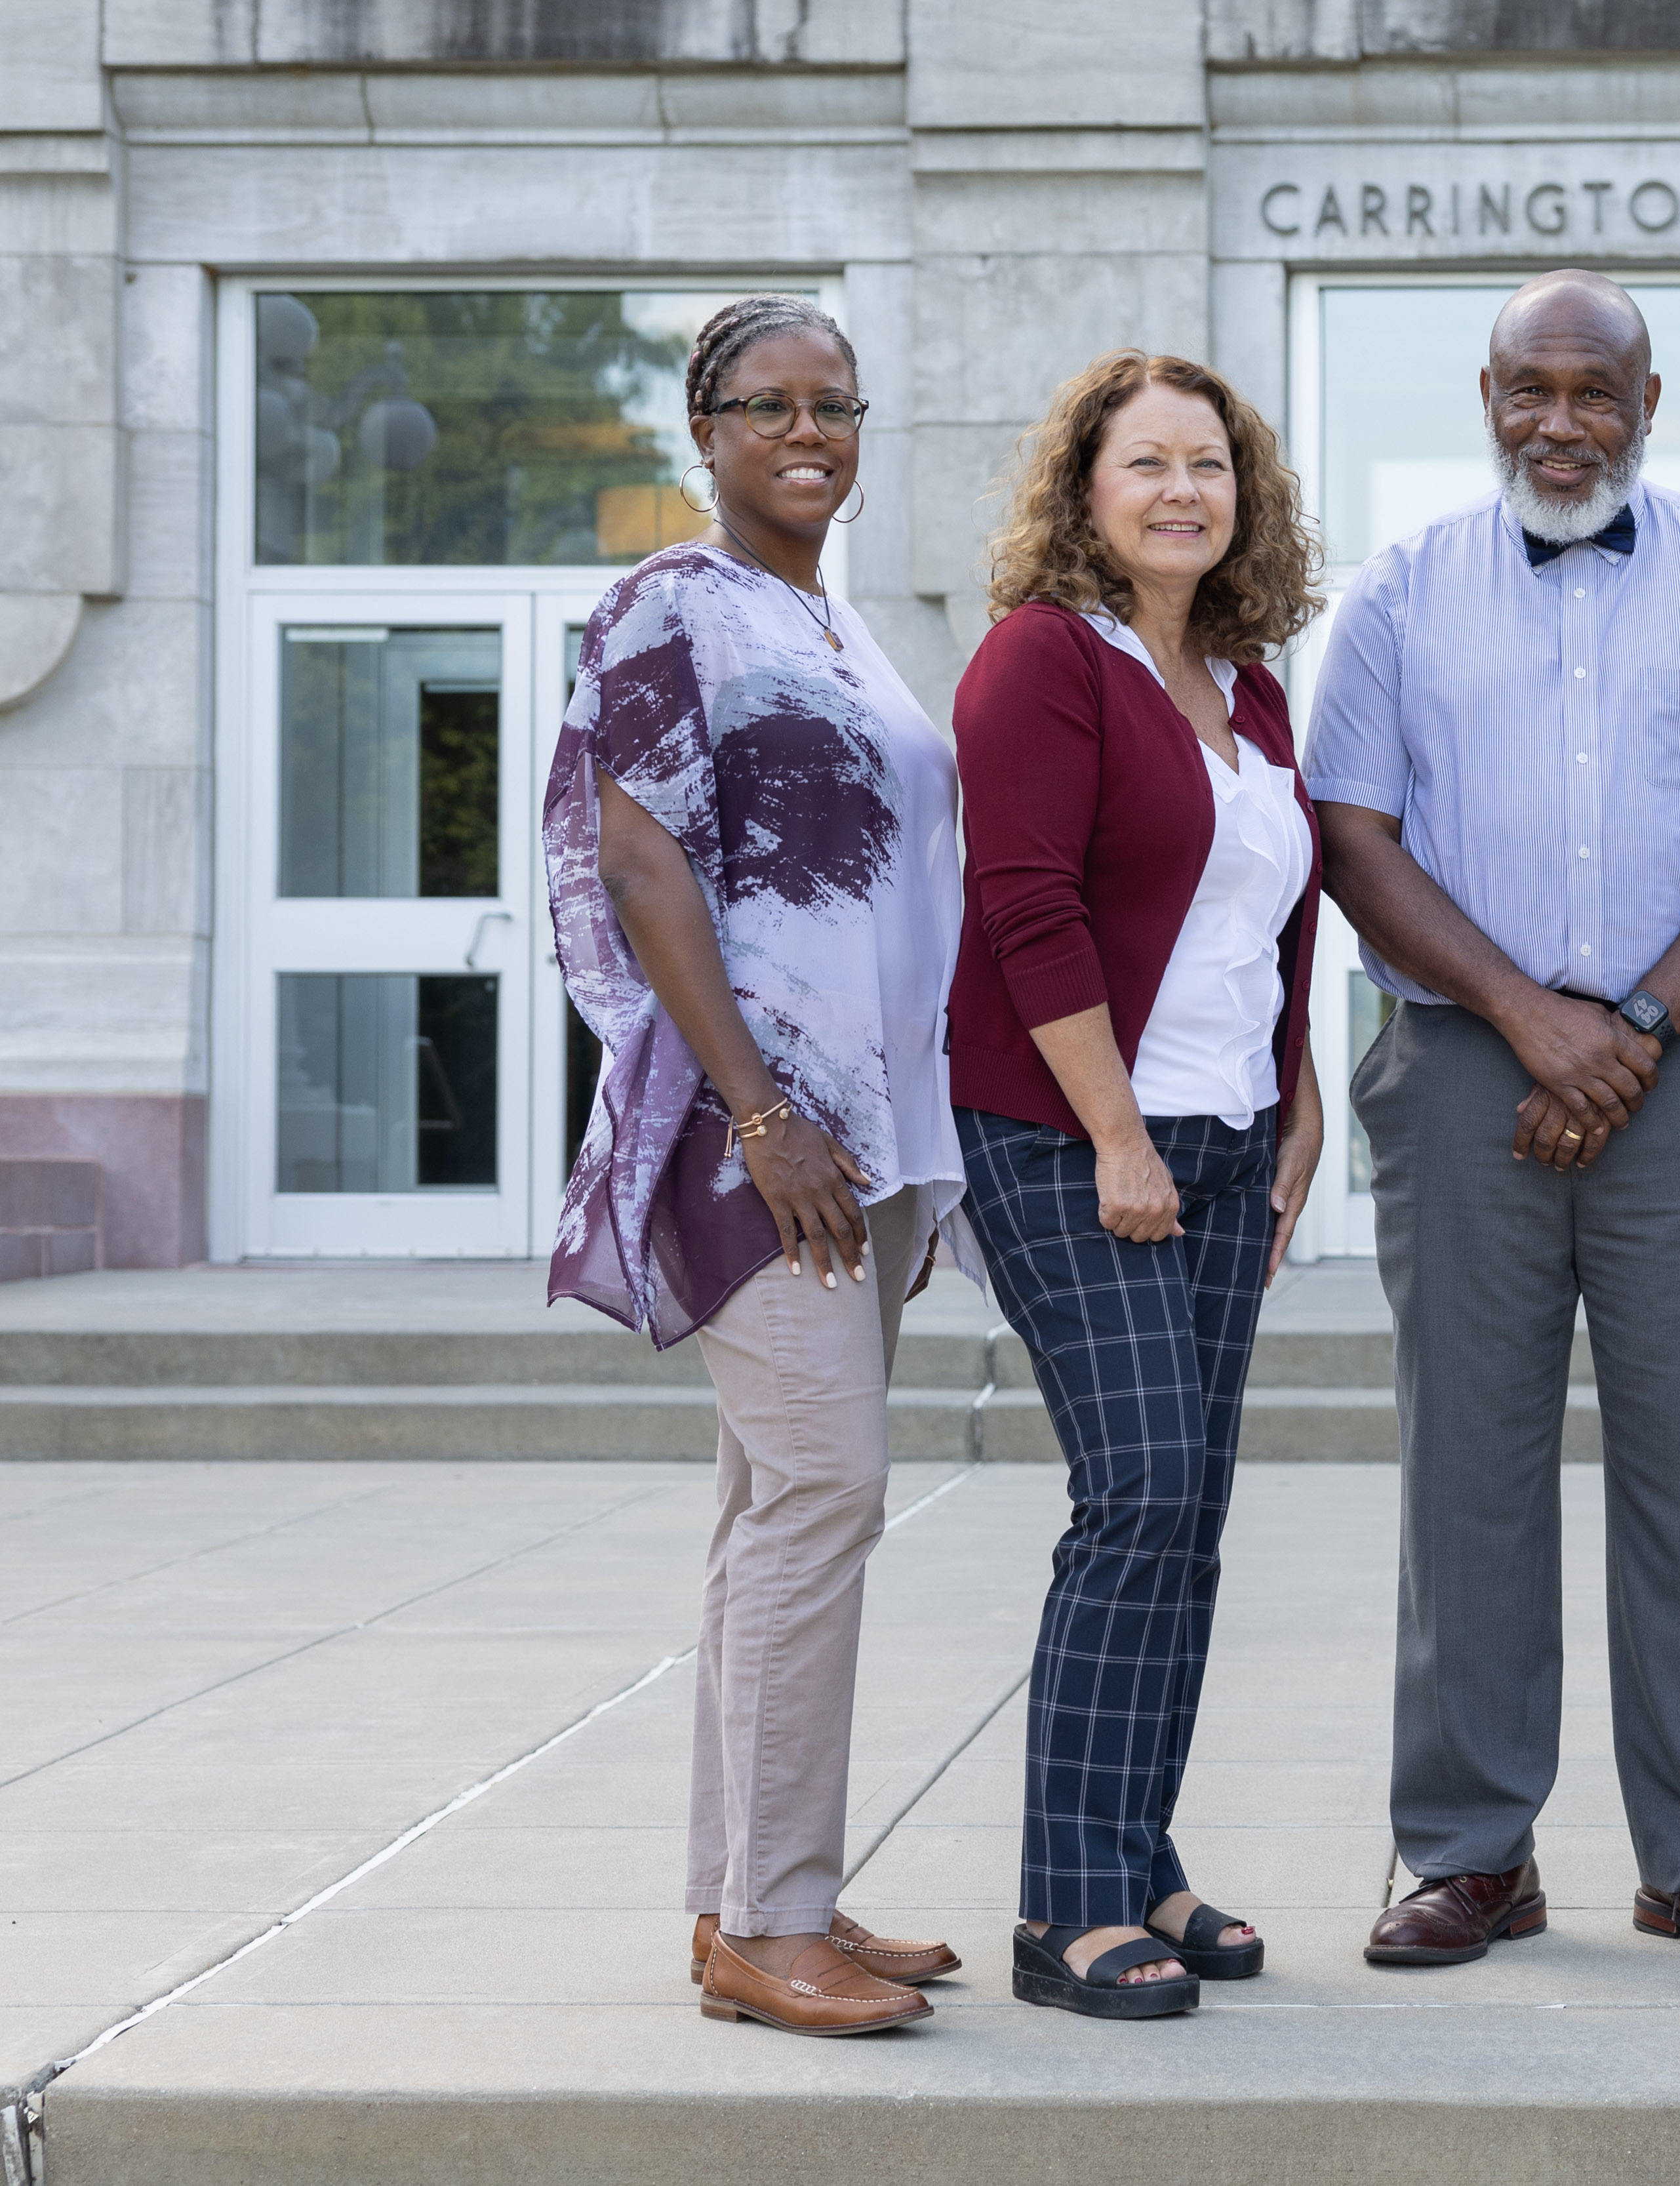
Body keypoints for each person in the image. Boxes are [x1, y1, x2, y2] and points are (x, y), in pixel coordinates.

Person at [1306, 270, 1680, 1970]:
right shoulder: (1399, 593)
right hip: (1468, 1067)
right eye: (1530, 390)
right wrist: (1533, 1020)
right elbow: (1355, 833)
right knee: (1468, 1467)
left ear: (1649, 398)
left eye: (1594, 392)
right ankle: (1475, 1848)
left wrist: (1628, 1024)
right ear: (1486, 395)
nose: (1562, 422)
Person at [546, 294, 970, 2037]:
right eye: (769, 404)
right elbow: (645, 864)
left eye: (838, 406)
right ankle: (771, 1912)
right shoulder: (666, 605)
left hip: (857, 1142)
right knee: (826, 1491)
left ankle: (753, 1899)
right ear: (703, 430)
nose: (809, 432)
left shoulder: (835, 624)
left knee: (765, 1510)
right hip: (759, 1139)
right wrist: (762, 1111)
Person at [947, 350, 1328, 2021]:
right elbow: (1025, 906)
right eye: (1148, 461)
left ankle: (1141, 1853)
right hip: (1068, 1131)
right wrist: (1114, 1134)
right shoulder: (1041, 660)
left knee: (1193, 1521)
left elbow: (1271, 922)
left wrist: (1300, 1095)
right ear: (1085, 488)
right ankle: (1067, 1902)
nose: (1185, 490)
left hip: (1233, 1137)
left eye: (1212, 465)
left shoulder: (1247, 683)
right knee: (1142, 1493)